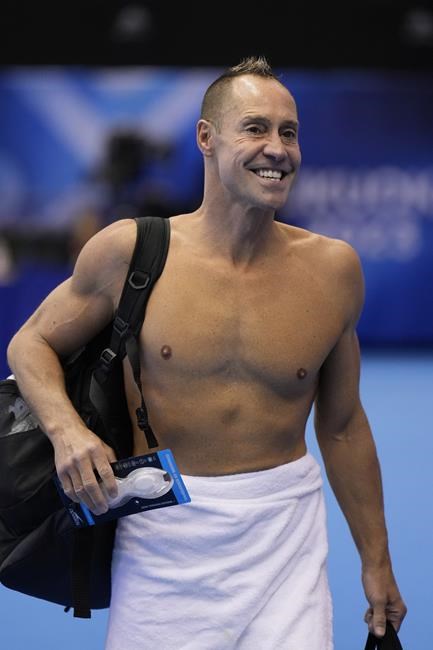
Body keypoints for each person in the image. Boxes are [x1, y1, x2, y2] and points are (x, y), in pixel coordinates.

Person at [7, 57, 406, 649]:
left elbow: (343, 426)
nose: (277, 149)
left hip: (286, 538)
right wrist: (67, 432)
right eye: (255, 128)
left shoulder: (334, 270)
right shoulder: (130, 251)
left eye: (289, 132)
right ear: (206, 138)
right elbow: (30, 342)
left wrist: (377, 562)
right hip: (162, 541)